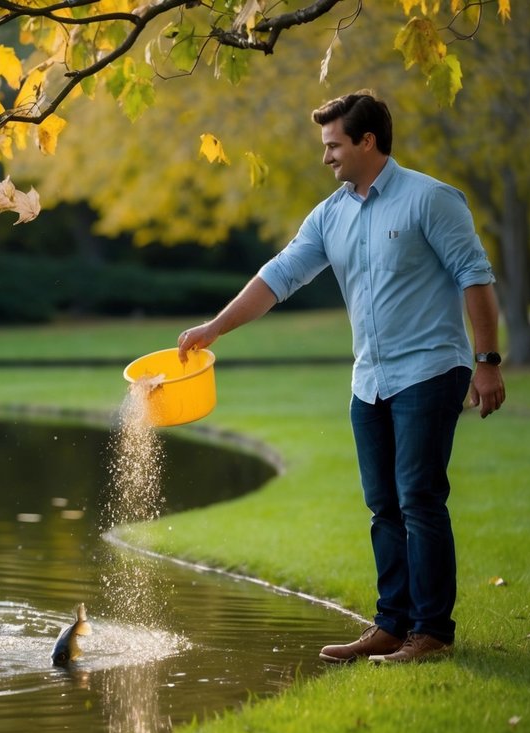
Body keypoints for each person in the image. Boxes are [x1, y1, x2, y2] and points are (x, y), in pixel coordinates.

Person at [177, 91, 506, 664]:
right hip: (370, 379)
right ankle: (391, 624)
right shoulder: (331, 214)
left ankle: (431, 633)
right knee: (383, 504)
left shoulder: (431, 199)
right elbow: (279, 276)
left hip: (431, 368)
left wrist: (487, 361)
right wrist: (216, 328)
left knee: (419, 497)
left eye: (333, 144)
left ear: (367, 142)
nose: (326, 156)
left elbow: (474, 277)